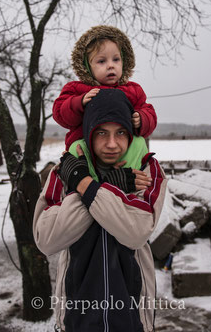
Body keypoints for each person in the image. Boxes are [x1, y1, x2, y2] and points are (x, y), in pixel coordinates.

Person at [34, 89, 167, 332]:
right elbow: (46, 238)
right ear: (88, 133)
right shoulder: (65, 170)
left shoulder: (146, 169)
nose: (112, 144)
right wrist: (109, 183)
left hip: (132, 316)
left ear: (132, 134)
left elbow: (135, 232)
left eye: (121, 133)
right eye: (101, 133)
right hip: (76, 316)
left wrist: (85, 184)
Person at [53, 25, 157, 150]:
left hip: (122, 149)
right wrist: (79, 103)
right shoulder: (76, 89)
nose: (110, 66)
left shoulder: (133, 90)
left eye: (116, 59)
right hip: (87, 149)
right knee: (76, 147)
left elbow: (149, 113)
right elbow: (60, 114)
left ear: (124, 62)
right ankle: (79, 168)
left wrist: (142, 119)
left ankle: (133, 169)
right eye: (102, 61)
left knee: (139, 144)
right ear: (86, 67)